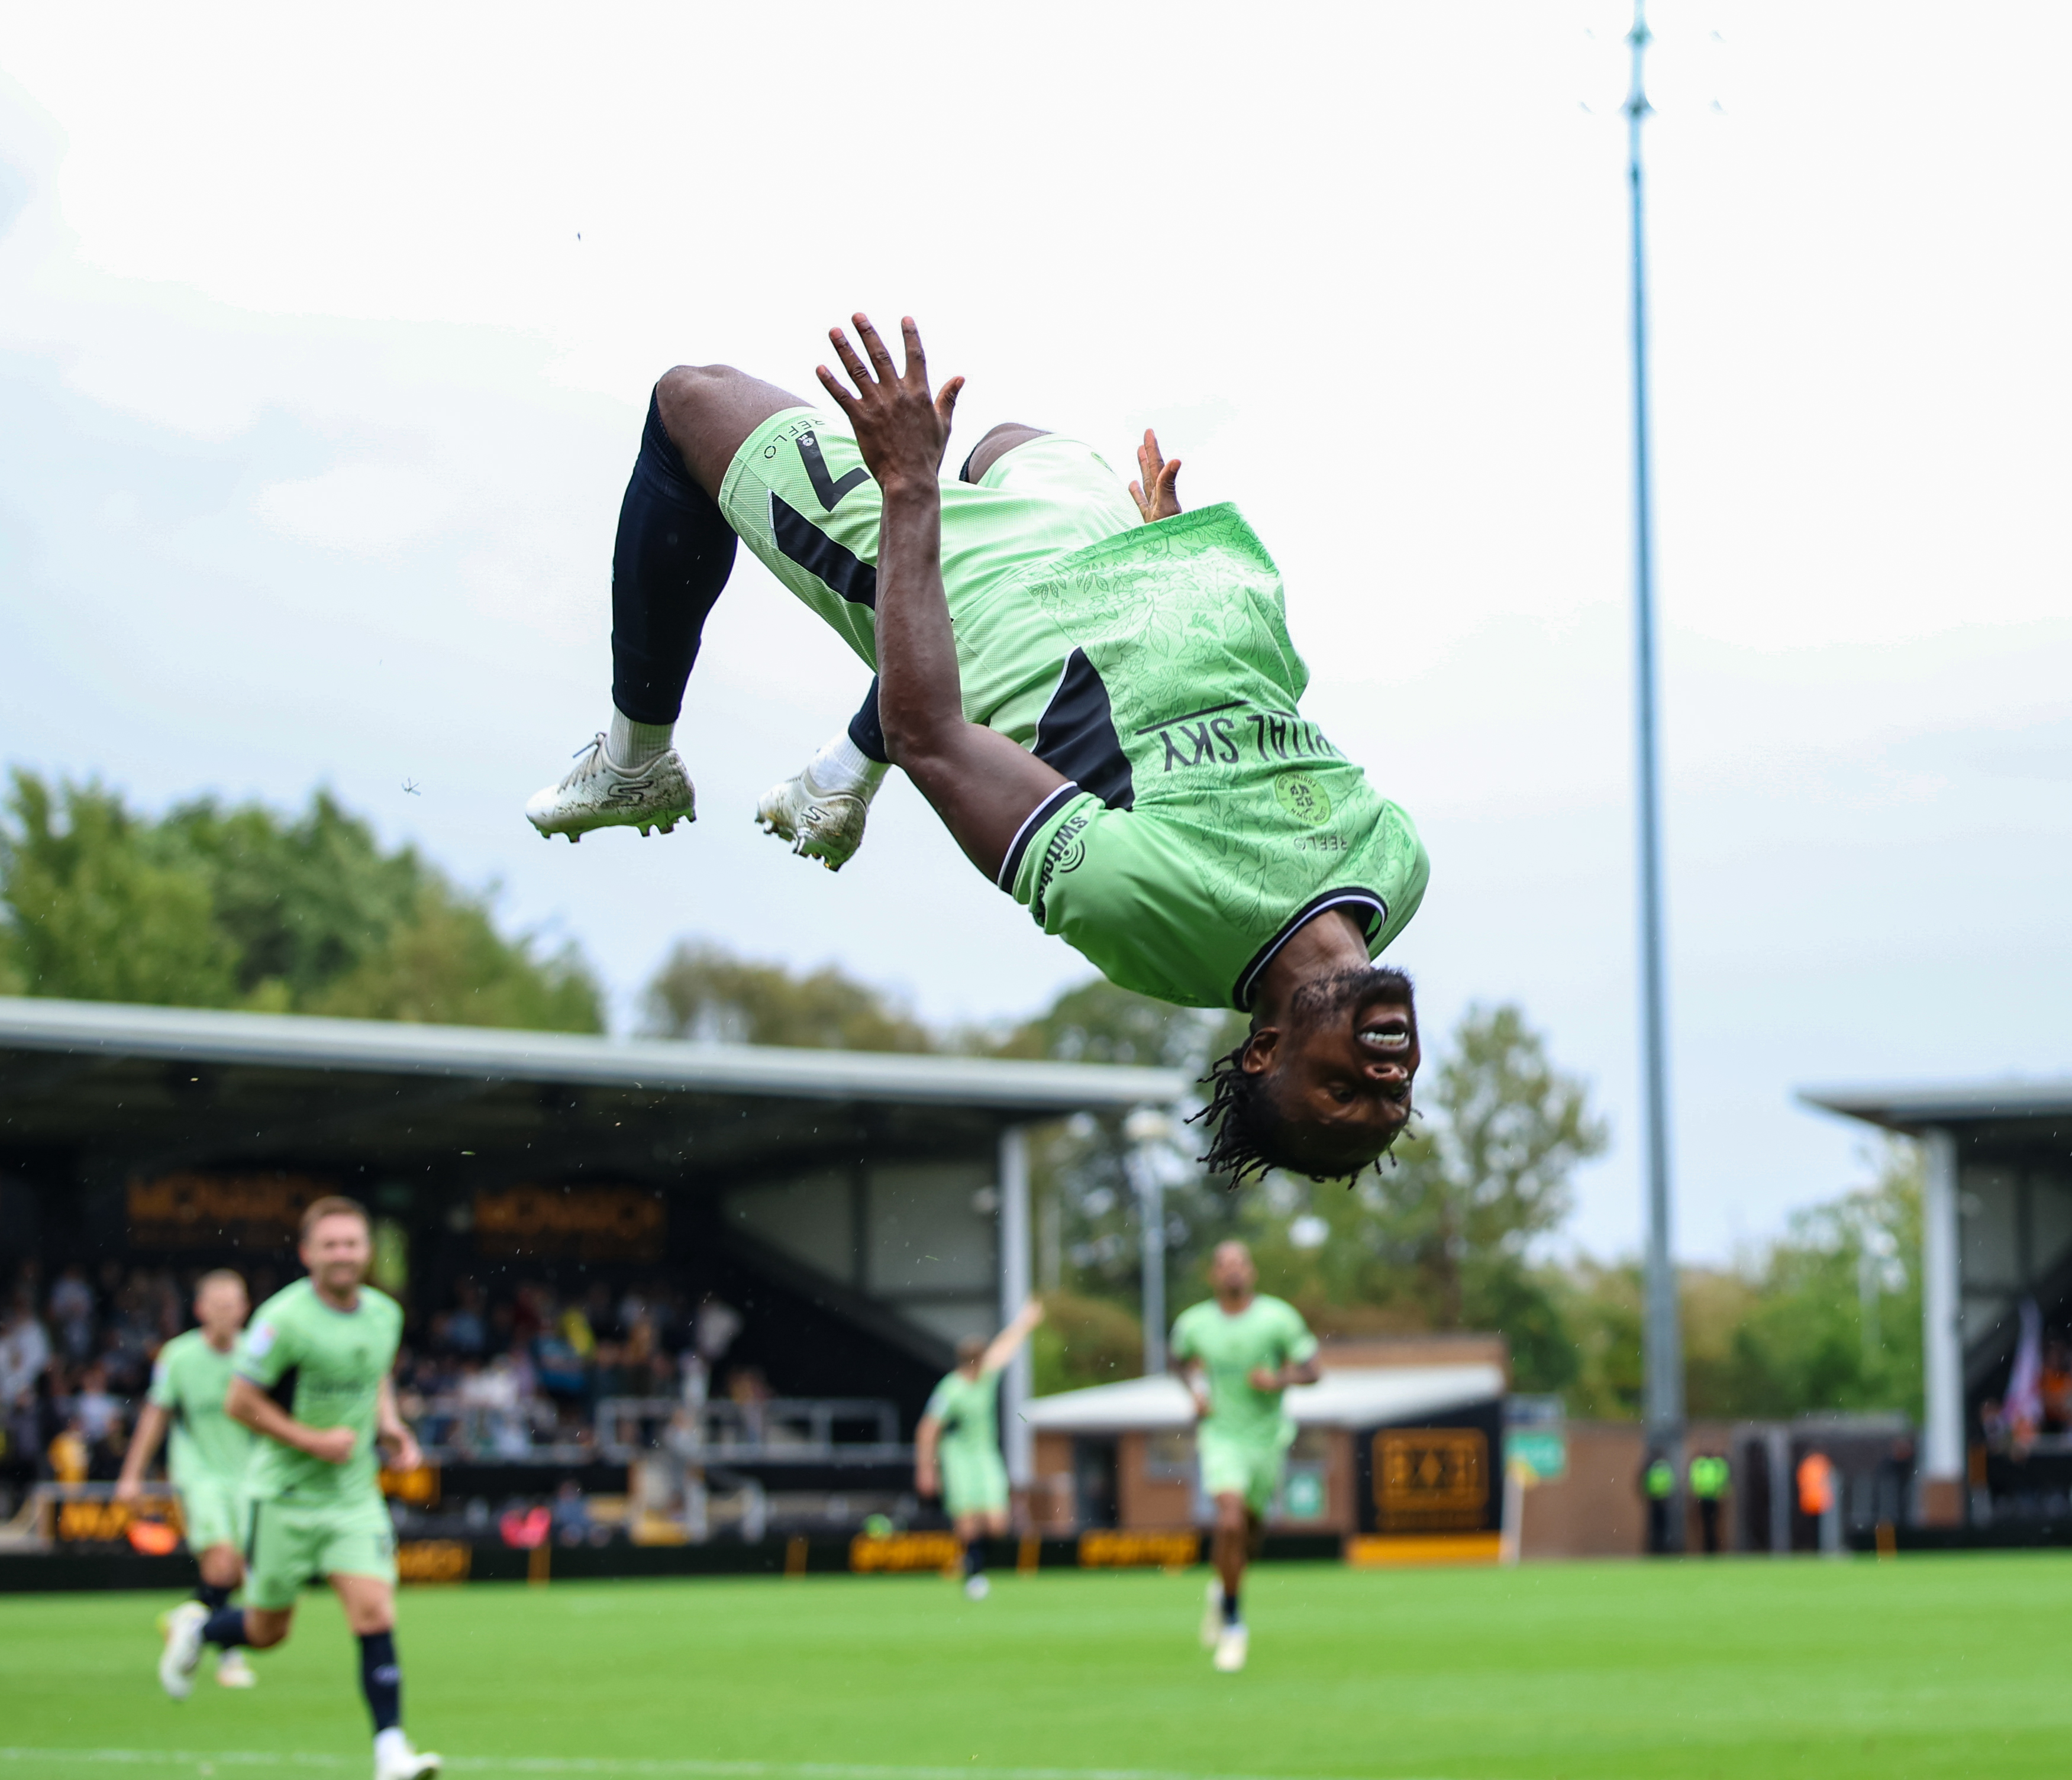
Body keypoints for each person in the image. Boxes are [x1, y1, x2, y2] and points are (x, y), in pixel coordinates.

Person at [522, 315, 1429, 1185]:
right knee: (1003, 444)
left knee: (690, 400)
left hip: (984, 591)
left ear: (1266, 1049)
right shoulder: (1397, 863)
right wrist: (1173, 564)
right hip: (1125, 561)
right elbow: (1264, 706)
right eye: (1388, 1101)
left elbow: (933, 738)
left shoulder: (1164, 918)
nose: (1381, 1081)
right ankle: (838, 773)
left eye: (1337, 1090)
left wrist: (909, 486)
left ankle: (634, 761)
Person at [157, 1198, 440, 1780]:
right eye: (330, 1245)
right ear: (308, 1253)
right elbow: (240, 1400)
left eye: (352, 1244)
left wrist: (388, 1425)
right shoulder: (281, 1319)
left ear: (367, 1252)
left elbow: (376, 1375)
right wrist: (312, 1440)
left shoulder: (385, 1314)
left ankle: (391, 1751)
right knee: (266, 1630)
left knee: (374, 1613)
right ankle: (202, 1627)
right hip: (282, 1495)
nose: (342, 1254)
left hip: (351, 1495)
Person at [1168, 1241, 1319, 1674]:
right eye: (1224, 1264)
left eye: (1240, 1263)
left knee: (1248, 1534)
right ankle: (1235, 1625)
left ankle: (1222, 1588)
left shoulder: (1278, 1318)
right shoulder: (1195, 1323)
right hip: (1221, 1437)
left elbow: (1313, 1370)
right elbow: (1176, 1360)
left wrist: (1277, 1379)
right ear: (1213, 1275)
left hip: (1267, 1440)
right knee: (1229, 1519)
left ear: (1251, 1271)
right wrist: (1195, 1393)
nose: (1233, 1271)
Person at [117, 1269, 260, 1690]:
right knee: (224, 1558)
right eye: (217, 1305)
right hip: (199, 1473)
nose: (225, 1313)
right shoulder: (178, 1356)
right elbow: (155, 1416)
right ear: (200, 1310)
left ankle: (190, 1619)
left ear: (245, 1308)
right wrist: (132, 1475)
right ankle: (229, 1654)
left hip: (250, 1475)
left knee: (238, 1570)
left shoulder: (258, 1353)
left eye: (233, 1304)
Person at [915, 1298, 1046, 1601]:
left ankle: (972, 1562)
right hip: (958, 1456)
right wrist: (926, 1469)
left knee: (997, 1523)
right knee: (967, 1520)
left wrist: (1025, 1321)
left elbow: (1005, 1346)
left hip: (985, 1454)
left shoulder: (986, 1377)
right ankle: (974, 1575)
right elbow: (928, 1429)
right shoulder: (951, 1389)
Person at [1689, 1451, 1728, 1556]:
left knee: (1712, 1525)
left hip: (1713, 1498)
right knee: (1708, 1525)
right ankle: (1709, 1548)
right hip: (1705, 1498)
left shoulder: (1714, 1464)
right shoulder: (1704, 1464)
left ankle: (1712, 1548)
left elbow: (1723, 1479)